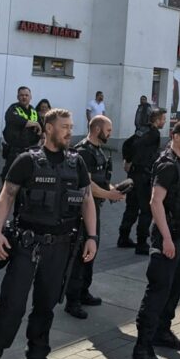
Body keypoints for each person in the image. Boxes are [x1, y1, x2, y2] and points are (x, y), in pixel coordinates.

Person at [0, 109, 97, 359]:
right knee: (11, 306)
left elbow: (87, 199)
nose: (69, 131)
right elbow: (7, 195)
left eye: (71, 126)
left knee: (46, 305)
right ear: (48, 128)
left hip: (61, 247)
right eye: (64, 126)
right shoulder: (27, 160)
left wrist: (93, 237)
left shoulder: (77, 163)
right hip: (27, 245)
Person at [132, 120, 180, 359]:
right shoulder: (167, 164)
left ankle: (162, 332)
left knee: (176, 286)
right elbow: (155, 202)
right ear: (175, 136)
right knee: (158, 290)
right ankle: (142, 346)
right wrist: (167, 238)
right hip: (167, 236)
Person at [65, 116, 125, 319]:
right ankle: (72, 300)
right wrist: (108, 194)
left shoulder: (99, 150)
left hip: (94, 209)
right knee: (79, 254)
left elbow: (101, 180)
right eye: (108, 130)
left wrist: (113, 190)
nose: (110, 133)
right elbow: (87, 184)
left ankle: (84, 292)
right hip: (80, 212)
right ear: (97, 128)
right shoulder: (82, 151)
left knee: (92, 250)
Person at [119, 107, 166, 253]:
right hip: (144, 176)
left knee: (131, 207)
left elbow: (127, 144)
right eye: (163, 119)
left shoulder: (141, 129)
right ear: (157, 120)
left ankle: (123, 237)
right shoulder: (153, 133)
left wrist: (128, 160)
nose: (164, 122)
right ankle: (141, 243)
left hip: (134, 174)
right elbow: (138, 146)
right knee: (146, 210)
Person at [1, 87, 40, 179]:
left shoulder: (33, 110)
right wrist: (34, 123)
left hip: (30, 149)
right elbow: (17, 120)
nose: (24, 97)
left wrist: (42, 133)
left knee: (27, 176)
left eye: (26, 95)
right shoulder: (13, 108)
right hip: (15, 150)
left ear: (30, 97)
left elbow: (41, 127)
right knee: (9, 176)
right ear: (18, 97)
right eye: (21, 95)